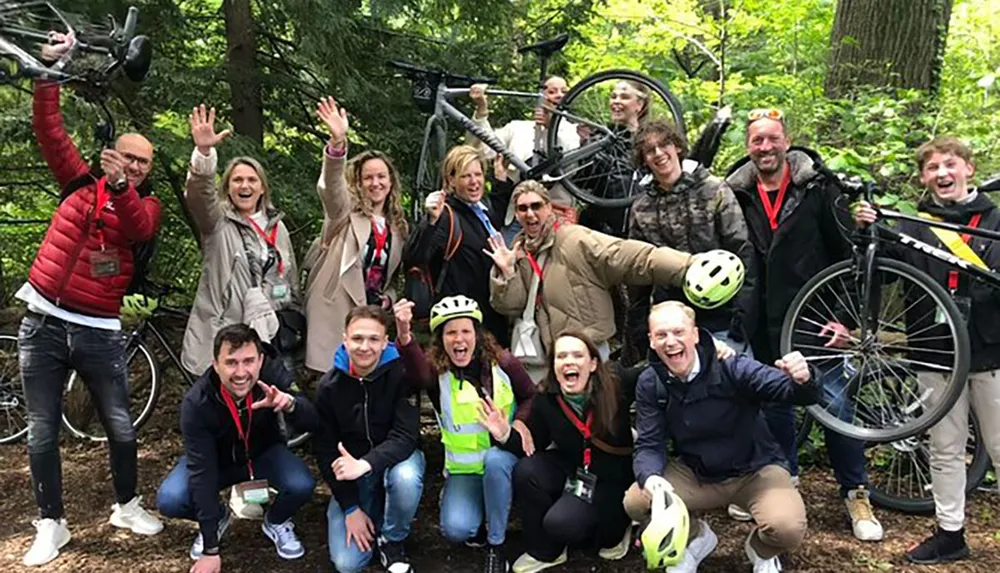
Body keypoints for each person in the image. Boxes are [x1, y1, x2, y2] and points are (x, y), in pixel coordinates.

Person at [16, 31, 163, 568]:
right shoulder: (78, 183)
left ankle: (127, 504)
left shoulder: (144, 205)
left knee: (121, 424)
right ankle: (51, 523)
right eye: (127, 157)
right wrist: (50, 71)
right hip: (45, 320)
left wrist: (125, 188)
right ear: (110, 154)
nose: (135, 166)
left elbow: (138, 229)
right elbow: (49, 131)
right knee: (43, 429)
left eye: (143, 163)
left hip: (100, 328)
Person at [722, 109, 882, 540]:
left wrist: (847, 320)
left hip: (816, 320)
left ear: (787, 141)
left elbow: (850, 258)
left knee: (834, 407)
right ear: (748, 147)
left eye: (772, 139)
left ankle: (855, 492)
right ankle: (784, 483)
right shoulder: (736, 193)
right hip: (763, 324)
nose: (765, 147)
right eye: (757, 141)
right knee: (775, 407)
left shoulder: (818, 188)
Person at [853, 136, 1000, 564]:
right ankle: (950, 532)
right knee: (945, 448)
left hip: (991, 353)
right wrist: (866, 234)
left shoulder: (994, 221)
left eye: (950, 165)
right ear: (923, 177)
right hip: (934, 356)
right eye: (933, 168)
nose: (943, 174)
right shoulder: (914, 226)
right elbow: (876, 278)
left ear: (969, 168)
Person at [624, 301, 820, 573]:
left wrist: (804, 378)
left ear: (695, 334)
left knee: (787, 528)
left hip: (756, 469)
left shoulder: (731, 365)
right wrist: (651, 477)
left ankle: (760, 550)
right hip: (697, 473)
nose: (670, 342)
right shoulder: (651, 381)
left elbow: (790, 392)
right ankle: (696, 538)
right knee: (638, 501)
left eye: (678, 332)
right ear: (651, 341)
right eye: (661, 335)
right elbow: (648, 442)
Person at [156, 324, 318, 573]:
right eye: (231, 363)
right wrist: (211, 549)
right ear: (215, 364)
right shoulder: (197, 402)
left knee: (301, 484)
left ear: (260, 360)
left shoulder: (272, 375)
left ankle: (275, 521)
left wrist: (289, 404)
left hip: (263, 454)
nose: (241, 372)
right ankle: (217, 518)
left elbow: (314, 421)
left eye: (249, 361)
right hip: (217, 462)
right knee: (171, 499)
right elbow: (202, 472)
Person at [487, 179, 703, 365]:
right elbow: (511, 306)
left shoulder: (574, 239)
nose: (530, 214)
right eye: (523, 208)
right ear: (516, 214)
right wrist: (507, 273)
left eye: (536, 206)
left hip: (590, 348)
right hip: (549, 355)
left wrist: (688, 266)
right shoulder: (519, 251)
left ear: (549, 207)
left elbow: (632, 258)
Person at [393, 295, 535, 573]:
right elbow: (418, 373)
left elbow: (531, 395)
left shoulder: (504, 363)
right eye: (451, 332)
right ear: (441, 340)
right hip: (466, 469)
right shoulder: (437, 373)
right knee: (456, 530)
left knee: (495, 462)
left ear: (477, 335)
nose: (459, 340)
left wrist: (518, 423)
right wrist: (404, 334)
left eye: (466, 331)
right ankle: (475, 508)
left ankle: (497, 545)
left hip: (504, 458)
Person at [480, 331, 635, 572]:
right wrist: (504, 435)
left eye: (577, 355)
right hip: (575, 470)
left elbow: (656, 373)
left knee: (575, 529)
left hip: (612, 478)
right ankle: (546, 551)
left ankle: (619, 528)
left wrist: (711, 354)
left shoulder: (617, 383)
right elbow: (533, 446)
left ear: (593, 363)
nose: (569, 361)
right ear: (554, 365)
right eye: (561, 356)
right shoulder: (547, 398)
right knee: (528, 471)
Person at [180, 105, 300, 376]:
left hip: (268, 335)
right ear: (228, 188)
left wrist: (290, 314)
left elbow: (289, 281)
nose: (244, 186)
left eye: (251, 180)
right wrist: (204, 154)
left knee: (270, 410)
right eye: (237, 181)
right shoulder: (217, 221)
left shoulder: (278, 227)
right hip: (223, 335)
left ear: (262, 187)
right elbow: (199, 196)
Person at [625, 119, 755, 366]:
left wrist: (743, 317)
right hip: (671, 320)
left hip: (723, 314)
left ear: (677, 148)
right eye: (649, 150)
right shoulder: (641, 208)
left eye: (664, 145)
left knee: (737, 382)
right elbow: (638, 270)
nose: (659, 154)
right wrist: (640, 328)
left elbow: (742, 250)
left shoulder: (713, 189)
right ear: (643, 160)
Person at [313, 305, 424, 573]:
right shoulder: (328, 387)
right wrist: (350, 508)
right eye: (357, 338)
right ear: (345, 339)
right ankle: (367, 512)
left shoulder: (400, 374)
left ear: (385, 341)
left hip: (395, 462)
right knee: (347, 564)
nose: (365, 347)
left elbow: (406, 436)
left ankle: (392, 539)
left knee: (406, 478)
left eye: (374, 339)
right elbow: (325, 450)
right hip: (353, 476)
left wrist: (366, 464)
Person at [303, 97, 409, 374]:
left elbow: (391, 275)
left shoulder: (397, 225)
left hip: (370, 314)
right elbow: (330, 187)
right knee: (333, 378)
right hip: (335, 308)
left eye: (381, 177)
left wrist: (387, 297)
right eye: (368, 178)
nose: (375, 183)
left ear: (391, 181)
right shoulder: (344, 211)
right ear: (358, 182)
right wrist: (337, 145)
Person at [409, 145, 512, 345]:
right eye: (465, 176)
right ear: (451, 181)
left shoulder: (480, 211)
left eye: (478, 174)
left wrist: (501, 182)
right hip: (462, 323)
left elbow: (494, 220)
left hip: (489, 318)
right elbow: (417, 256)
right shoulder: (446, 216)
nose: (474, 182)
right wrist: (430, 222)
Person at [466, 77, 579, 243]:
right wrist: (481, 110)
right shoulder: (517, 128)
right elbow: (481, 149)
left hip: (557, 219)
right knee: (506, 263)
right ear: (539, 95)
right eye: (552, 91)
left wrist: (550, 127)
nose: (558, 95)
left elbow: (572, 166)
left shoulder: (573, 132)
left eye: (564, 92)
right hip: (517, 219)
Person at [576, 79, 651, 238]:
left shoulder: (651, 142)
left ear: (640, 105)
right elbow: (582, 181)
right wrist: (597, 161)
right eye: (613, 96)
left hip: (641, 231)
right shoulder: (599, 138)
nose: (616, 101)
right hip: (599, 231)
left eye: (624, 97)